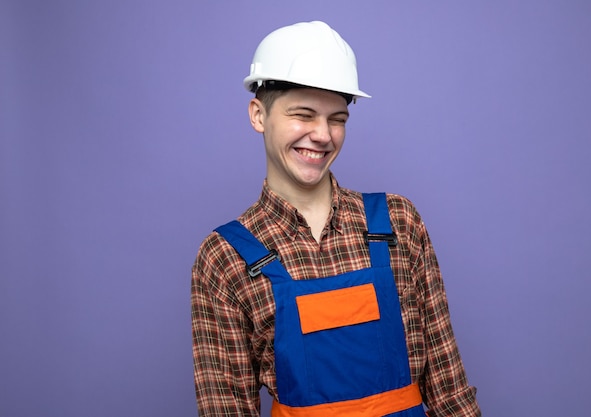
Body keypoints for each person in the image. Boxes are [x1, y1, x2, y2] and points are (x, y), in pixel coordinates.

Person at [191, 21, 481, 417]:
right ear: (259, 115)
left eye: (337, 119)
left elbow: (450, 391)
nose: (323, 135)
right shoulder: (225, 258)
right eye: (304, 114)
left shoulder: (398, 222)